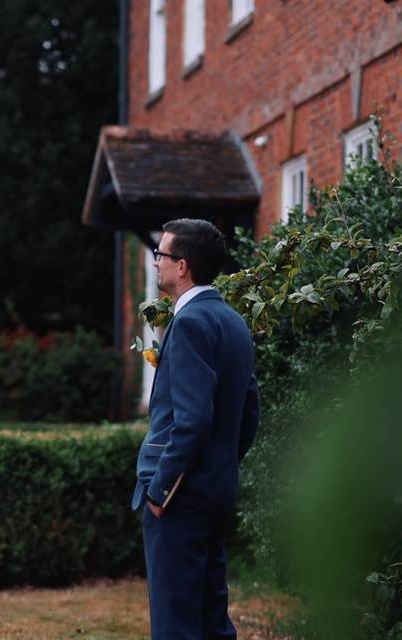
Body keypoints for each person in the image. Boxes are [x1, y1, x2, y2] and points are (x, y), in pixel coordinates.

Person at [131, 218, 260, 639]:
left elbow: (192, 420)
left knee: (175, 625)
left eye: (161, 255)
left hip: (179, 498)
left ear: (181, 265)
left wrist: (160, 492)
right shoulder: (233, 322)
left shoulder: (189, 323)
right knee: (210, 620)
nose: (156, 264)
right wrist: (221, 466)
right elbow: (249, 411)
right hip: (213, 491)